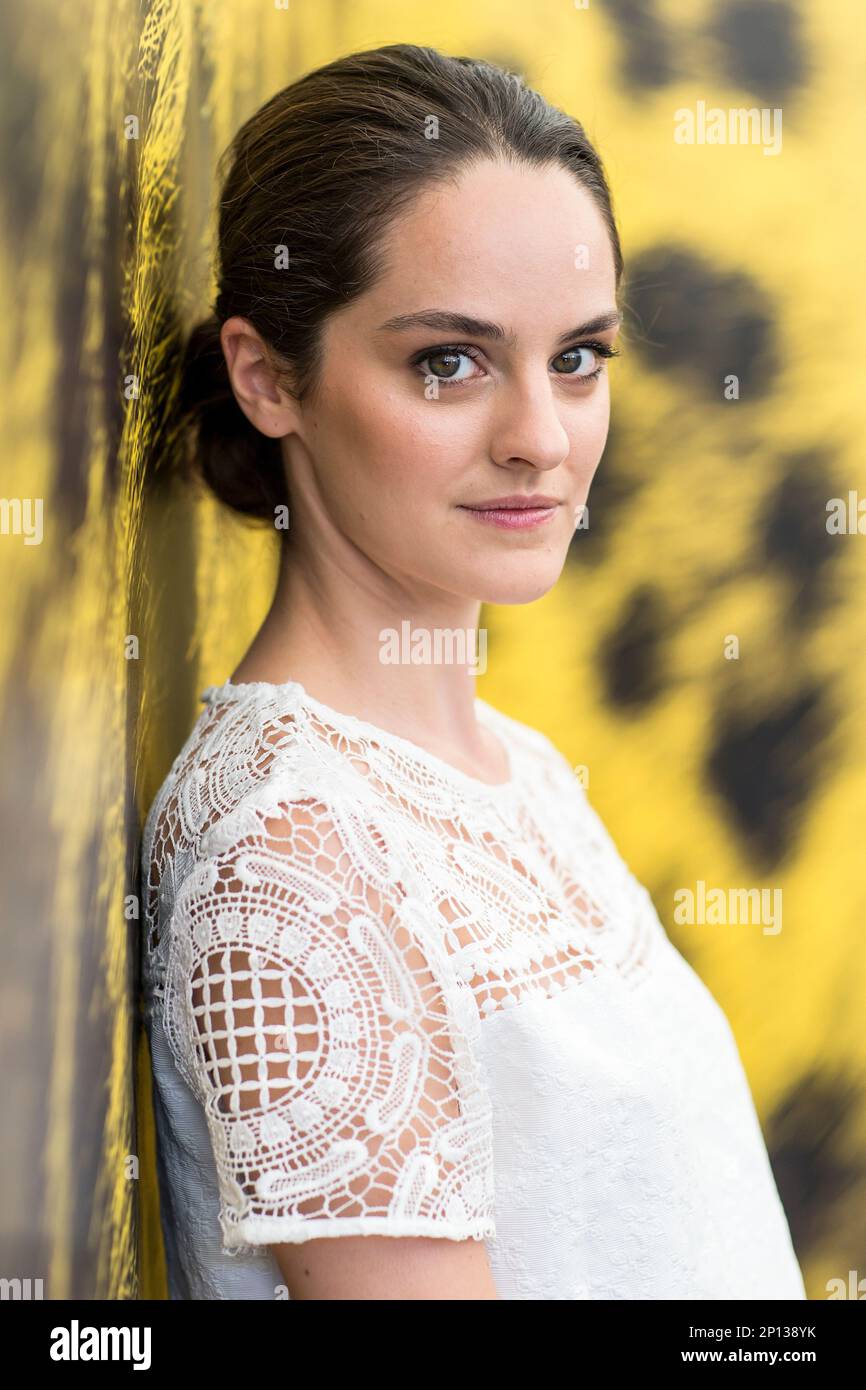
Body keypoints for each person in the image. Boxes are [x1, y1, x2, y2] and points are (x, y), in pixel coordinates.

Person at [140, 42, 806, 1301]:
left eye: (577, 357)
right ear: (268, 376)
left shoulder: (517, 771)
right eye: (446, 361)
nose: (539, 440)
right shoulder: (290, 856)